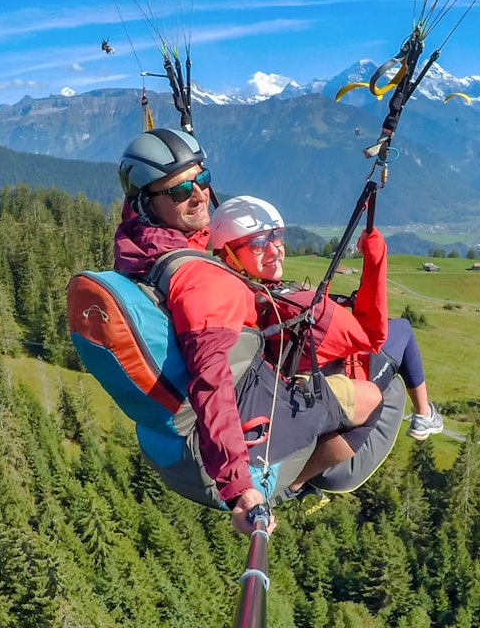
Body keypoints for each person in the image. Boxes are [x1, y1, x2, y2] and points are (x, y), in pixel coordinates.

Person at [113, 128, 385, 533]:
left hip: (162, 442)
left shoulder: (137, 249)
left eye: (202, 180)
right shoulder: (201, 280)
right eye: (180, 190)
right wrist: (240, 488)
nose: (200, 195)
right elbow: (212, 382)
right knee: (370, 398)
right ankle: (294, 483)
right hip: (235, 418)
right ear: (145, 203)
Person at [207, 195, 444, 441]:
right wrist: (376, 257)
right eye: (257, 243)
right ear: (228, 254)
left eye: (277, 236)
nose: (274, 249)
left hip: (283, 384)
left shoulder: (235, 291)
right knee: (403, 330)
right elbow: (371, 336)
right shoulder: (296, 305)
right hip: (317, 387)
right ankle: (424, 415)